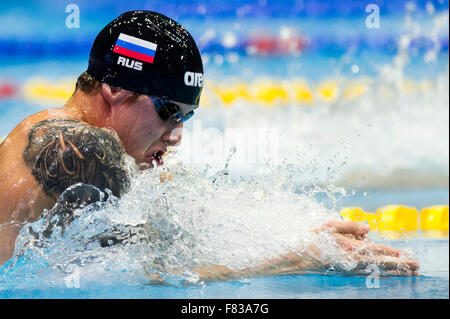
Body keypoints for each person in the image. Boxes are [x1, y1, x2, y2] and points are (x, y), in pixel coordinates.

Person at [0, 10, 419, 277]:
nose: (177, 134)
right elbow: (150, 273)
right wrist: (294, 258)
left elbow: (175, 227)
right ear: (114, 87)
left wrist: (290, 233)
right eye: (167, 111)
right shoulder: (82, 149)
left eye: (186, 116)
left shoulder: (88, 145)